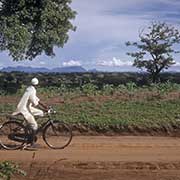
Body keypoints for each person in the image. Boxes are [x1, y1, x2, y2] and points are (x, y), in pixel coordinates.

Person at [12, 77, 48, 148]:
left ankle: (29, 128)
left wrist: (45, 107)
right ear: (37, 85)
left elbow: (37, 99)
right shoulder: (32, 90)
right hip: (24, 109)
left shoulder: (30, 89)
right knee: (35, 125)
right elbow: (35, 103)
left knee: (41, 113)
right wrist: (45, 108)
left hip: (28, 108)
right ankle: (32, 143)